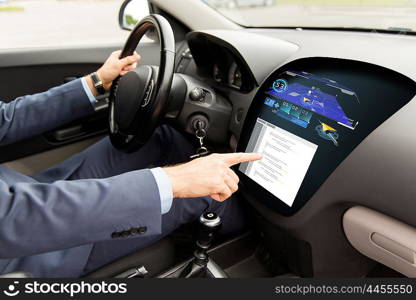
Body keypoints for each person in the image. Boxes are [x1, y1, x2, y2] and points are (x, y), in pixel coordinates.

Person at [0, 51, 261, 277]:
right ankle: (261, 246)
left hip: (26, 192)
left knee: (162, 140)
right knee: (205, 193)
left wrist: (96, 82)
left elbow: (4, 119)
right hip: (29, 247)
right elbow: (14, 218)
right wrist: (175, 181)